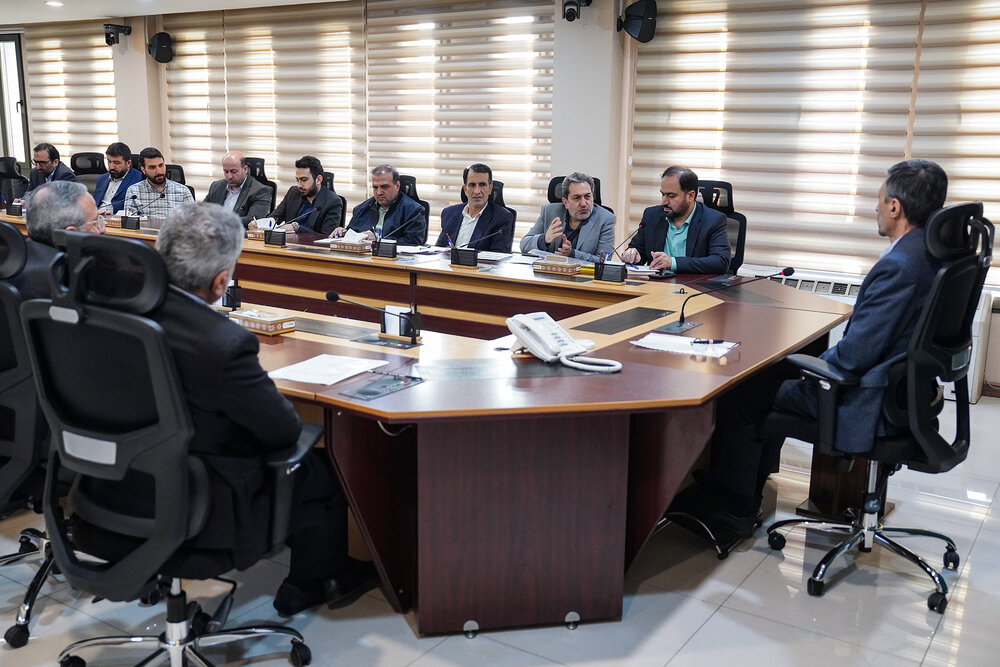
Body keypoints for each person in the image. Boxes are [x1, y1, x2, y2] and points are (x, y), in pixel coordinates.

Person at [674, 159, 948, 542]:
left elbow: (854, 355)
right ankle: (743, 490)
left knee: (742, 391)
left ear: (895, 206)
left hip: (867, 401)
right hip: (904, 393)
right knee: (772, 376)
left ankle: (734, 508)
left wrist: (813, 369)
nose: (875, 207)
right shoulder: (933, 255)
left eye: (879, 199)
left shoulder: (899, 266)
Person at [152, 202, 377, 616]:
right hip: (210, 493)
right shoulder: (222, 342)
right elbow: (283, 431)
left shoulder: (130, 320)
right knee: (322, 463)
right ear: (221, 281)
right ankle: (311, 582)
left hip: (137, 480)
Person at [621, 166, 731, 274]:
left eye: (671, 196)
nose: (664, 202)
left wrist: (673, 263)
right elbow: (638, 252)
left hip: (691, 284)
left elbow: (720, 262)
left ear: (690, 196)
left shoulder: (713, 220)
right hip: (656, 284)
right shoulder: (651, 216)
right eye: (663, 194)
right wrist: (632, 255)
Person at [10, 180, 105, 300]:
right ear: (71, 233)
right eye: (96, 222)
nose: (103, 230)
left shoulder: (10, 264)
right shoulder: (82, 284)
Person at [519, 172, 615, 263]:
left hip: (583, 274)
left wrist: (572, 254)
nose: (583, 203)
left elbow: (603, 260)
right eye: (576, 198)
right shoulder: (549, 211)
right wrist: (544, 239)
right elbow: (524, 245)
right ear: (565, 202)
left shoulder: (606, 219)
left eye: (587, 196)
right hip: (549, 272)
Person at [331, 164, 426, 245]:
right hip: (363, 257)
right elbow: (353, 233)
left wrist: (378, 240)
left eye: (384, 187)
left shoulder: (414, 212)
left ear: (397, 186)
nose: (379, 192)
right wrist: (343, 232)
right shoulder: (361, 209)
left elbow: (414, 243)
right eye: (375, 187)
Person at [436, 163, 514, 252]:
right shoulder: (449, 213)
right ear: (465, 189)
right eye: (472, 185)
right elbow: (439, 249)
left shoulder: (502, 218)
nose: (477, 191)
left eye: (482, 185)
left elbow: (498, 255)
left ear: (490, 188)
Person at [260, 155, 342, 235]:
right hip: (287, 242)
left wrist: (297, 228)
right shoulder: (293, 192)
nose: (299, 185)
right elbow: (274, 218)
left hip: (310, 244)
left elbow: (326, 236)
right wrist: (259, 224)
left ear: (318, 179)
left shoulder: (332, 202)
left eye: (304, 180)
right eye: (297, 180)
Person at [203, 150, 272, 228]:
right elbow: (201, 210)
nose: (229, 176)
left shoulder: (259, 191)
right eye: (226, 172)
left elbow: (253, 221)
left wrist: (221, 222)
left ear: (245, 169)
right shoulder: (216, 186)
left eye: (234, 172)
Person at [124, 147, 194, 218]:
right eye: (152, 167)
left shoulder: (183, 191)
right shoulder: (133, 191)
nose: (159, 171)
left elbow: (193, 220)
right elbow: (129, 222)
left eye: (161, 165)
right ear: (143, 170)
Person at [93, 142, 143, 214]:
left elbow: (136, 206)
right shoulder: (101, 179)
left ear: (128, 163)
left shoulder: (139, 179)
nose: (112, 167)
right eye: (109, 161)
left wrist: (111, 211)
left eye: (116, 163)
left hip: (118, 218)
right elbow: (95, 203)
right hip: (97, 217)